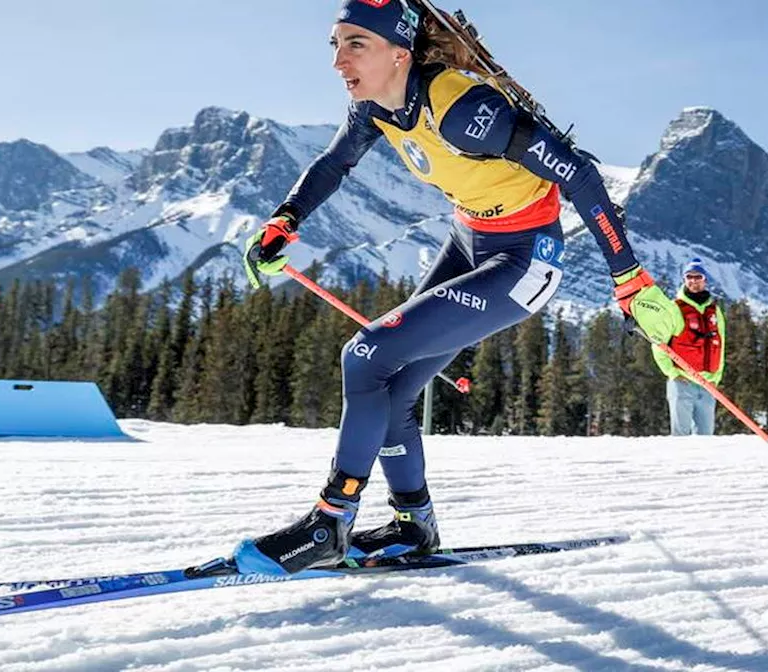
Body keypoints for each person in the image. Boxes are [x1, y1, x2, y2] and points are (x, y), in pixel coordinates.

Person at [232, 0, 683, 576]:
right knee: (390, 387)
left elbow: (578, 173)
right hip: (469, 240)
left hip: (523, 262)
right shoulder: (374, 108)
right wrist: (284, 220)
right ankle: (413, 525)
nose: (339, 60)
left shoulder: (463, 108)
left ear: (400, 52)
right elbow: (331, 165)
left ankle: (330, 521)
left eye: (355, 44)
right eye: (335, 44)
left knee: (365, 356)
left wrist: (628, 277)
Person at [653, 258, 725, 436]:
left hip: (708, 383)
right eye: (689, 277)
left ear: (705, 279)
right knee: (681, 436)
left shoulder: (714, 311)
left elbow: (720, 344)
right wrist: (672, 373)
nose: (693, 281)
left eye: (698, 277)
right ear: (684, 279)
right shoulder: (674, 308)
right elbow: (658, 343)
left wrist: (716, 377)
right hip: (682, 381)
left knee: (706, 436)